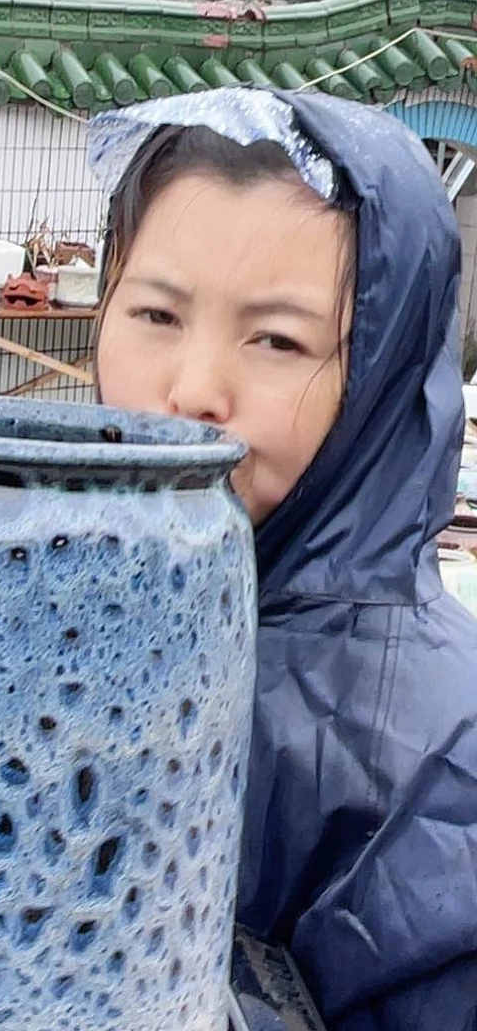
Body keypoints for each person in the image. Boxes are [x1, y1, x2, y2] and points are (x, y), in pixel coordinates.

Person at [90, 88, 477, 1030]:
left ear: (382, 379)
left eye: (277, 339)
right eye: (155, 315)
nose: (190, 392)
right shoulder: (79, 606)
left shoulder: (436, 765)